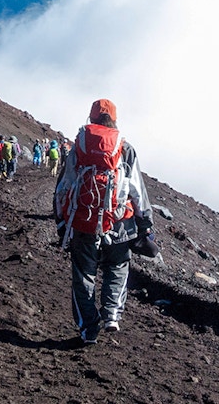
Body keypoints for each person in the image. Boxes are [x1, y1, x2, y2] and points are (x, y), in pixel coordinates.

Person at [53, 99, 156, 345]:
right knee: (118, 267)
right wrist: (146, 225)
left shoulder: (78, 146)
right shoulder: (125, 148)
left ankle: (89, 329)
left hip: (83, 222)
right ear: (114, 119)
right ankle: (111, 315)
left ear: (91, 118)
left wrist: (61, 222)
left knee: (83, 275)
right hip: (120, 221)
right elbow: (137, 191)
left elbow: (63, 187)